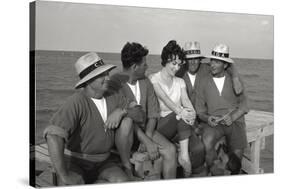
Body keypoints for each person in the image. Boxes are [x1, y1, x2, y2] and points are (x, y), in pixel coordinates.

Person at [43, 52, 144, 185]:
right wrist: (64, 175)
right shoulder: (76, 102)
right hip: (76, 163)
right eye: (102, 75)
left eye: (107, 73)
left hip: (104, 162)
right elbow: (52, 135)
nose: (108, 78)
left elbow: (139, 114)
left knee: (122, 182)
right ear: (88, 80)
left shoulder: (113, 96)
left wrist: (122, 111)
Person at [109, 42, 177, 179]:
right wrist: (146, 141)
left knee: (170, 150)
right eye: (144, 64)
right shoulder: (115, 83)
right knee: (127, 121)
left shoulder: (145, 82)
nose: (147, 66)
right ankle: (127, 167)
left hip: (145, 131)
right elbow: (124, 118)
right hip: (124, 135)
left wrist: (149, 136)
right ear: (134, 67)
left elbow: (153, 114)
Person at [195, 44, 249, 175]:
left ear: (225, 65)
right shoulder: (203, 81)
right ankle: (215, 175)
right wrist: (208, 118)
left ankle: (234, 176)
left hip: (235, 120)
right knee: (207, 141)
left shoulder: (234, 80)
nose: (212, 64)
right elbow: (200, 110)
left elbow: (244, 105)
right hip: (214, 123)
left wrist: (233, 117)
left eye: (217, 61)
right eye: (212, 60)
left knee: (236, 156)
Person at [149, 40, 196, 177]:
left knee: (183, 115)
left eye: (179, 64)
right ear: (165, 61)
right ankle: (184, 157)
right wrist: (182, 112)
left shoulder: (180, 82)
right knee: (180, 115)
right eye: (173, 63)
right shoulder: (154, 79)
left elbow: (186, 100)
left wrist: (192, 113)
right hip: (159, 126)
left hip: (177, 124)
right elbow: (165, 99)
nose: (177, 68)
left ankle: (184, 157)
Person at [176, 41, 243, 108]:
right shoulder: (178, 72)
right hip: (186, 114)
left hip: (204, 115)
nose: (193, 62)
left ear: (200, 59)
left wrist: (235, 79)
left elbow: (228, 65)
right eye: (189, 59)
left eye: (195, 58)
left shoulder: (207, 68)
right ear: (185, 60)